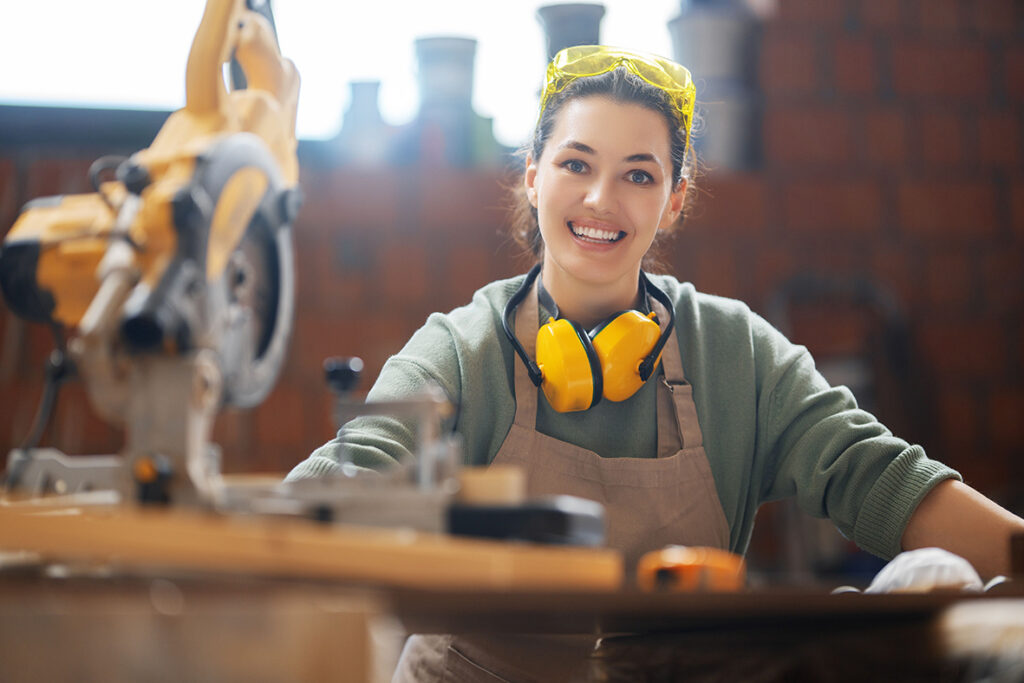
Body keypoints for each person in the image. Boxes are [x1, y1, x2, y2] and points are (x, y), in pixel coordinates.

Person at [287, 45, 1024, 680]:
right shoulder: (460, 351)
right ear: (533, 176)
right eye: (576, 163)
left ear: (674, 200)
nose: (601, 199)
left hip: (679, 673)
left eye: (639, 175)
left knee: (938, 582)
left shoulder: (733, 353)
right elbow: (343, 485)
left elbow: (882, 478)